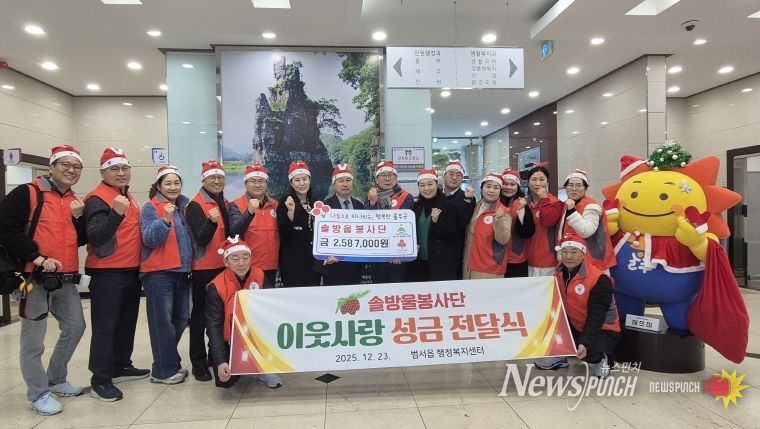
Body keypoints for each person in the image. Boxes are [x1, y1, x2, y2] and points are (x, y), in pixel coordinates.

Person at [0, 145, 87, 416]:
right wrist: (36, 257)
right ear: (51, 167)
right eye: (65, 165)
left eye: (76, 167)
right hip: (34, 279)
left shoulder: (73, 199)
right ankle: (38, 393)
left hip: (65, 279)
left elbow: (79, 239)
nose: (71, 170)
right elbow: (6, 230)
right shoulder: (27, 193)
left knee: (76, 327)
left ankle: (56, 378)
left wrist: (79, 217)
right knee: (33, 340)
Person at [83, 148, 149, 402]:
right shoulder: (97, 198)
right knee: (105, 327)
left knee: (126, 322)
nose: (121, 173)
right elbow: (96, 236)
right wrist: (116, 213)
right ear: (103, 172)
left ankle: (120, 364)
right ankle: (100, 379)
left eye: (124, 168)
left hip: (130, 270)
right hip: (107, 272)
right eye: (114, 169)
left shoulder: (125, 195)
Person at [534, 234, 620, 377]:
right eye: (565, 251)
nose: (569, 256)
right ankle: (560, 355)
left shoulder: (599, 279)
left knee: (587, 351)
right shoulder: (559, 274)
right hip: (576, 323)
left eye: (574, 252)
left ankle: (602, 358)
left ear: (583, 254)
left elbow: (597, 317)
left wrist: (585, 342)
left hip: (603, 328)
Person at [185, 160, 237, 382]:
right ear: (203, 180)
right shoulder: (195, 205)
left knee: (218, 316)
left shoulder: (224, 202)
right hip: (203, 269)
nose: (216, 181)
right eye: (212, 177)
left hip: (222, 267)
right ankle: (198, 364)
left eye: (220, 177)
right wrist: (212, 222)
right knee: (199, 318)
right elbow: (201, 238)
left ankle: (211, 357)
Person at [140, 166, 192, 385]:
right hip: (159, 274)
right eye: (168, 183)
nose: (173, 187)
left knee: (180, 320)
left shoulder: (183, 207)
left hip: (181, 272)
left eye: (176, 183)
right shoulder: (150, 208)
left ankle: (167, 362)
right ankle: (163, 371)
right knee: (162, 323)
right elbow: (149, 239)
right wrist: (165, 220)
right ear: (159, 186)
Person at [205, 236, 281, 388]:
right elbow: (214, 327)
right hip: (232, 339)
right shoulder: (216, 286)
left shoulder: (259, 275)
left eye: (245, 258)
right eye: (235, 259)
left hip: (257, 335)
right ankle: (234, 362)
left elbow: (273, 308)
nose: (241, 263)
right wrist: (220, 361)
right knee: (225, 381)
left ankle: (264, 367)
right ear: (226, 262)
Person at [229, 162, 280, 287]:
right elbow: (234, 232)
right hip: (248, 267)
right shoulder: (236, 204)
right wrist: (249, 212)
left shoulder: (275, 204)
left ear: (267, 183)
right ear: (245, 183)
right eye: (253, 181)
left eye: (261, 181)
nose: (257, 185)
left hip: (272, 266)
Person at [557, 169, 616, 272]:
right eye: (570, 185)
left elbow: (586, 231)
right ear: (565, 187)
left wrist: (572, 211)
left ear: (586, 188)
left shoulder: (592, 206)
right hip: (573, 259)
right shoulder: (568, 204)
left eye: (578, 185)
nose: (574, 189)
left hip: (593, 261)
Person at [366, 160, 414, 283]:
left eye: (390, 175)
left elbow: (405, 226)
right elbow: (366, 221)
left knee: (397, 289)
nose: (387, 179)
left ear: (396, 178)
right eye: (383, 175)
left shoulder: (405, 196)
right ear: (377, 179)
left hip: (397, 255)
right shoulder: (371, 196)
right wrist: (372, 202)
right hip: (377, 255)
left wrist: (398, 252)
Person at [318, 164, 365, 286]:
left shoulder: (359, 205)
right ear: (334, 185)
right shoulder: (325, 207)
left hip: (355, 265)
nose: (345, 184)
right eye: (341, 181)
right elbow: (320, 235)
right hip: (333, 265)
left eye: (348, 180)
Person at [409, 168, 459, 281]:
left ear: (437, 184)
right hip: (419, 261)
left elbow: (453, 234)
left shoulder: (448, 205)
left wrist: (437, 222)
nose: (426, 188)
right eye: (422, 185)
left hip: (441, 263)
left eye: (430, 184)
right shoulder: (416, 207)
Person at [277, 161, 321, 287]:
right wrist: (291, 213)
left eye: (305, 179)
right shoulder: (285, 201)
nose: (302, 183)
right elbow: (283, 232)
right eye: (297, 180)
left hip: (313, 262)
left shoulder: (316, 202)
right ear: (291, 183)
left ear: (310, 180)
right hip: (293, 263)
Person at [462, 172, 512, 279]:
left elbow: (503, 239)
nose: (491, 190)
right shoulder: (476, 206)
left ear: (500, 191)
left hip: (489, 269)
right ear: (481, 188)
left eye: (496, 188)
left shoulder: (503, 211)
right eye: (488, 186)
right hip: (469, 265)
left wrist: (498, 219)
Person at [524, 163, 564, 277]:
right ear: (528, 182)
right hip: (526, 260)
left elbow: (547, 221)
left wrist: (544, 198)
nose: (537, 183)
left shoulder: (556, 203)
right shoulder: (524, 203)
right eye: (534, 179)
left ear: (547, 182)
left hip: (548, 262)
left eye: (541, 179)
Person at [442, 160, 476, 278]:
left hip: (456, 250)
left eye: (458, 175)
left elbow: (463, 223)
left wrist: (467, 200)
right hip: (436, 250)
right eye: (451, 174)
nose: (454, 177)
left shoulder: (467, 197)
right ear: (444, 176)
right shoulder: (436, 195)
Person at [500, 168, 535, 278]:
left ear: (518, 186)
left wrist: (521, 211)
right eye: (505, 184)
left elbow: (528, 233)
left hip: (516, 259)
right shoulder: (493, 203)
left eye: (512, 184)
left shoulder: (522, 204)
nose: (508, 187)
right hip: (494, 259)